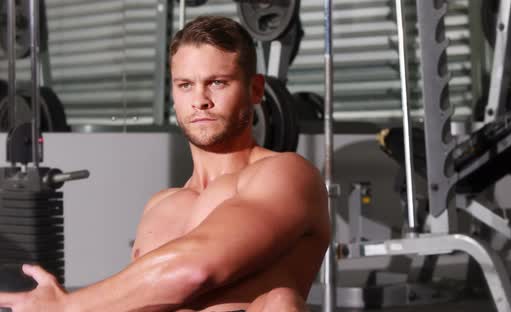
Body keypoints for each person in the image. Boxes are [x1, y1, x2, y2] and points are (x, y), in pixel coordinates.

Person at [0, 16, 330, 312]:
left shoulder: (286, 174)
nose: (200, 100)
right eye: (186, 85)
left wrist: (68, 307)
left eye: (217, 82)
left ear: (255, 89)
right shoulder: (160, 206)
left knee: (280, 304)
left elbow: (195, 269)